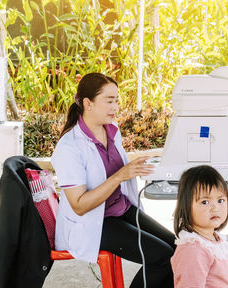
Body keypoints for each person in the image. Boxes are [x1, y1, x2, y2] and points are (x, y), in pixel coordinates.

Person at [51, 73, 175, 288]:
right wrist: (120, 176)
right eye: (109, 101)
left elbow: (117, 169)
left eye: (117, 100)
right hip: (94, 223)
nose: (115, 107)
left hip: (121, 209)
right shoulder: (69, 147)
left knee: (179, 248)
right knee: (162, 257)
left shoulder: (110, 131)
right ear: (88, 103)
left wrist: (140, 168)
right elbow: (80, 206)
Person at [171, 165, 228, 288]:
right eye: (205, 202)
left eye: (220, 200)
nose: (215, 208)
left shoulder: (212, 238)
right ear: (186, 206)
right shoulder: (193, 250)